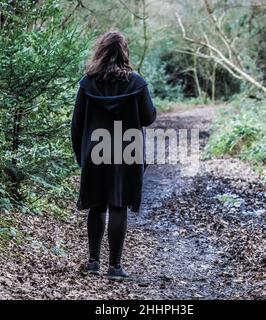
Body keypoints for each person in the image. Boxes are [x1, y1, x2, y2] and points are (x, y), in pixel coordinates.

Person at [71, 30, 156, 280]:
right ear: (124, 52)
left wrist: (81, 155)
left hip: (95, 150)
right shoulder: (136, 82)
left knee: (97, 205)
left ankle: (93, 262)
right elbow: (149, 118)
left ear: (101, 51)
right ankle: (115, 268)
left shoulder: (88, 82)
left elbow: (77, 125)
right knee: (118, 205)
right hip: (126, 151)